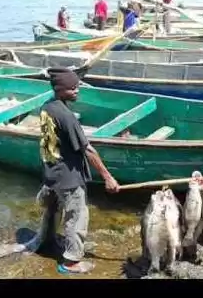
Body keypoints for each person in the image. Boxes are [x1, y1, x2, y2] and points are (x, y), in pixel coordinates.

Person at [37, 67, 120, 274]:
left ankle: (48, 241)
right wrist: (108, 177)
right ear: (59, 89)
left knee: (55, 210)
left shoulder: (47, 107)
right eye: (71, 88)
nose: (77, 91)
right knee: (77, 217)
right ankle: (71, 262)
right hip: (68, 178)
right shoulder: (67, 116)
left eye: (77, 86)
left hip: (52, 173)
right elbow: (88, 150)